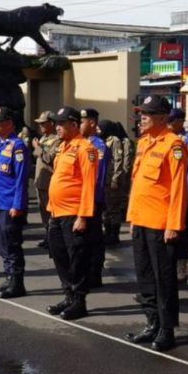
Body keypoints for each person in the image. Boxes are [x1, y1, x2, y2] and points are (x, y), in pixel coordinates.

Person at [127, 96, 188, 350]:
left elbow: (179, 189)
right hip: (141, 221)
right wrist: (132, 217)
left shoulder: (174, 145)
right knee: (145, 277)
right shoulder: (143, 143)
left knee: (164, 280)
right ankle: (151, 323)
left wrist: (174, 225)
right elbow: (138, 184)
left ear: (163, 118)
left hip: (161, 225)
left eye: (148, 113)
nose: (142, 117)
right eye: (141, 112)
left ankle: (166, 329)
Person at [46, 107, 99, 321]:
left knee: (77, 258)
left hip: (74, 213)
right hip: (56, 212)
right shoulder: (63, 147)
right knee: (60, 256)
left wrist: (83, 216)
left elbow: (89, 184)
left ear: (74, 124)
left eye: (61, 123)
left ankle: (79, 301)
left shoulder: (85, 149)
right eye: (56, 123)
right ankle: (68, 296)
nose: (57, 127)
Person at [0, 108, 29, 299]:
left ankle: (17, 283)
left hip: (10, 203)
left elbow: (20, 178)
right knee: (2, 242)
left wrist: (17, 205)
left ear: (10, 124)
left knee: (12, 244)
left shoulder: (17, 146)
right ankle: (8, 277)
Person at [81, 108, 111, 289]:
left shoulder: (98, 146)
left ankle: (94, 273)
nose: (79, 124)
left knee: (94, 238)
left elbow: (97, 177)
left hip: (93, 199)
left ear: (92, 123)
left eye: (83, 121)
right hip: (82, 199)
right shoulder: (81, 143)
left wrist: (91, 199)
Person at [168, 109, 188, 284]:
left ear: (180, 122)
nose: (169, 125)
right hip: (167, 196)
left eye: (172, 122)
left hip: (182, 196)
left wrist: (187, 195)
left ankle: (181, 267)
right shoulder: (166, 139)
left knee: (182, 232)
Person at [103, 120, 133, 247]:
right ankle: (108, 232)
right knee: (108, 208)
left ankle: (114, 234)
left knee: (114, 208)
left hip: (117, 178)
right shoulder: (107, 140)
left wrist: (121, 177)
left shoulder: (121, 142)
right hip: (109, 178)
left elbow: (124, 160)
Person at [32, 111, 59, 249]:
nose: (41, 126)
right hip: (40, 180)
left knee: (50, 212)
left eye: (43, 123)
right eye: (40, 124)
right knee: (43, 211)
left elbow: (49, 159)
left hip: (49, 181)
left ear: (52, 123)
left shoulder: (57, 140)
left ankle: (53, 238)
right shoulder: (43, 138)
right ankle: (48, 236)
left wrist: (37, 148)